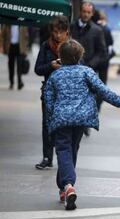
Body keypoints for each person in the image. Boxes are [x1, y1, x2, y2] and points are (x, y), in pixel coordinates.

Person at [44, 39, 120, 210]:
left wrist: (49, 123)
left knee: (63, 151)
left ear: (61, 57)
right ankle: (64, 188)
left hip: (61, 119)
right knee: (71, 150)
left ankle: (67, 185)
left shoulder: (55, 75)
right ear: (80, 56)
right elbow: (102, 90)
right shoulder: (86, 72)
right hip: (81, 119)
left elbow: (48, 101)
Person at [34, 15, 70, 170]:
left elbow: (82, 67)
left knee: (64, 126)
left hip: (68, 93)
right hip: (49, 91)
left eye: (60, 32)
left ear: (66, 32)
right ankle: (47, 157)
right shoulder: (46, 46)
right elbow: (37, 69)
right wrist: (51, 65)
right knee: (47, 124)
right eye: (55, 32)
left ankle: (64, 157)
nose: (57, 35)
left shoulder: (71, 47)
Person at [70, 2, 107, 73]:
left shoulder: (97, 30)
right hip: (72, 67)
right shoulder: (71, 27)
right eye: (84, 12)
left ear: (92, 13)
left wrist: (91, 64)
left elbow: (101, 51)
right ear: (80, 11)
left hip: (89, 69)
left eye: (89, 12)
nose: (86, 15)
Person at [95, 10, 115, 111]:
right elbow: (111, 44)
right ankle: (98, 105)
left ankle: (93, 103)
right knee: (102, 84)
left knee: (92, 82)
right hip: (104, 60)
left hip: (93, 60)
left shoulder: (93, 27)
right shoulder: (106, 29)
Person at [0, 24, 29, 90]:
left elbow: (26, 37)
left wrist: (26, 49)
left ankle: (19, 82)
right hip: (10, 47)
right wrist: (2, 46)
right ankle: (11, 83)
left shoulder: (23, 25)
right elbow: (2, 36)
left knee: (19, 66)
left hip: (19, 47)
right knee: (11, 66)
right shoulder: (7, 25)